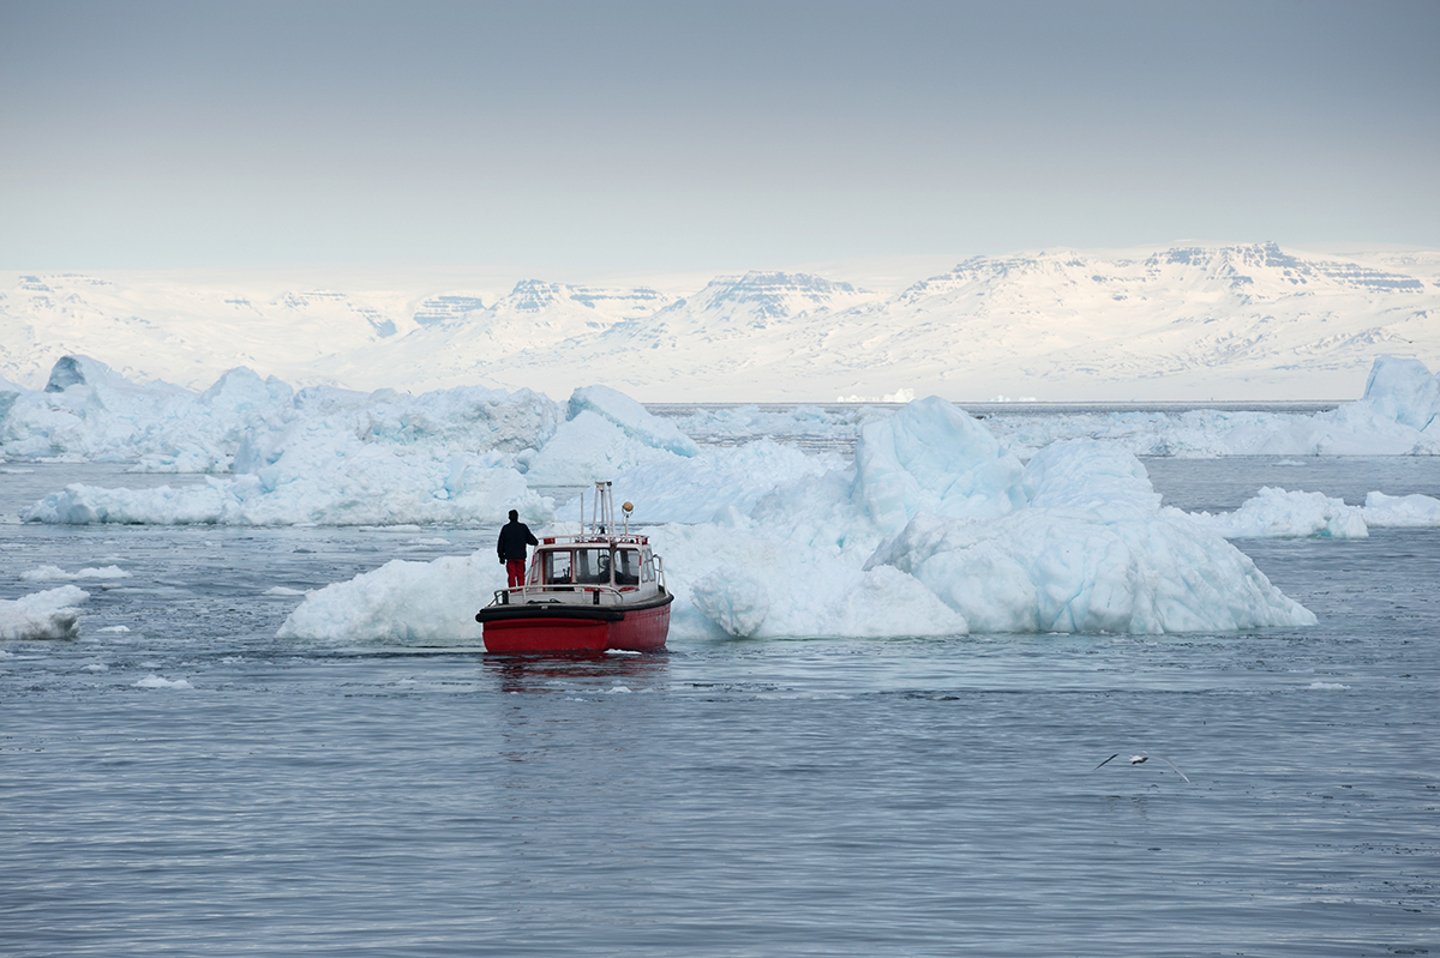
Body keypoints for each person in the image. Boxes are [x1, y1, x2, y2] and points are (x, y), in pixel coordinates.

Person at [496, 509, 538, 589]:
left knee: (511, 576)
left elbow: (500, 544)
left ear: (509, 517)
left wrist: (501, 556)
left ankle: (513, 593)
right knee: (520, 576)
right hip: (520, 557)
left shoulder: (505, 528)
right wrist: (535, 542)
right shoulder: (523, 527)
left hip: (510, 557)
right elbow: (531, 540)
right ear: (517, 517)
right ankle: (521, 592)